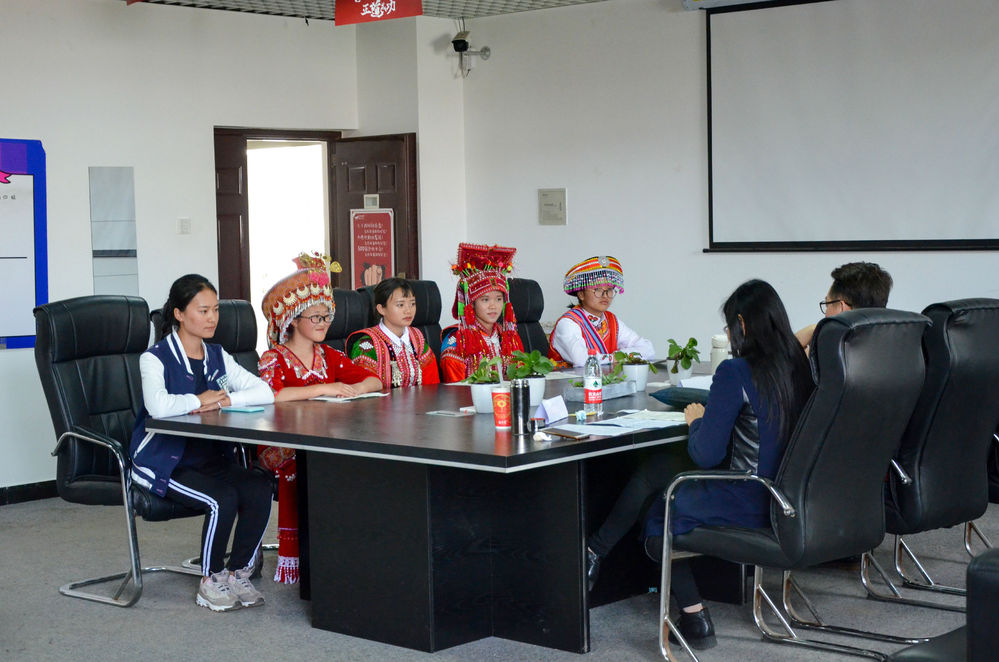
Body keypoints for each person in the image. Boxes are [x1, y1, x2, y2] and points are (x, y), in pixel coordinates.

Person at [586, 280, 813, 649]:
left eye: (729, 326)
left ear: (741, 323)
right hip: (788, 497)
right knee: (657, 469)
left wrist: (697, 421)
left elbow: (705, 455)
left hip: (747, 497)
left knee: (660, 513)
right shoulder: (799, 366)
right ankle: (594, 552)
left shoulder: (736, 372)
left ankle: (695, 619)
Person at [129, 274, 275, 612]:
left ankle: (238, 573)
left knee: (259, 487)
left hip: (210, 459)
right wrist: (200, 399)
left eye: (215, 310)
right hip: (165, 461)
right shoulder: (154, 358)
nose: (212, 318)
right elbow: (158, 406)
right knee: (221, 499)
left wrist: (226, 400)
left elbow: (264, 392)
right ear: (179, 314)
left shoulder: (217, 355)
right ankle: (211, 579)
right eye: (203, 310)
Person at [257, 253, 382, 584]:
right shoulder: (274, 357)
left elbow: (374, 380)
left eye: (327, 316)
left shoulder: (329, 355)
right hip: (282, 442)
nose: (324, 323)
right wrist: (326, 388)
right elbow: (271, 395)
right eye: (316, 317)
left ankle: (342, 548)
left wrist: (354, 390)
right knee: (303, 466)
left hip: (325, 436)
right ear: (293, 320)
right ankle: (301, 556)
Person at [548, 255, 654, 368]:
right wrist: (616, 357)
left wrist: (616, 356)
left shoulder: (612, 320)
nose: (605, 295)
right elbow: (581, 359)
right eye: (597, 289)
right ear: (581, 294)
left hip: (603, 378)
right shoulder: (568, 323)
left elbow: (648, 349)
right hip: (571, 379)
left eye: (609, 290)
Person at [440, 242, 524, 383]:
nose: (493, 306)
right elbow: (456, 388)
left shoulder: (507, 336)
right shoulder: (457, 340)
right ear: (471, 304)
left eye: (498, 299)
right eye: (485, 300)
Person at [347, 277, 441, 387]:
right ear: (381, 309)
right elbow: (364, 390)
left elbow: (431, 384)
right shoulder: (367, 345)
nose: (408, 310)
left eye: (412, 304)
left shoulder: (417, 338)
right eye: (400, 305)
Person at [795, 261, 893, 348]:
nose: (826, 313)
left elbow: (786, 359)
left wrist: (813, 331)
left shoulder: (828, 353)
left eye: (827, 304)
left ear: (841, 308)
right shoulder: (895, 345)